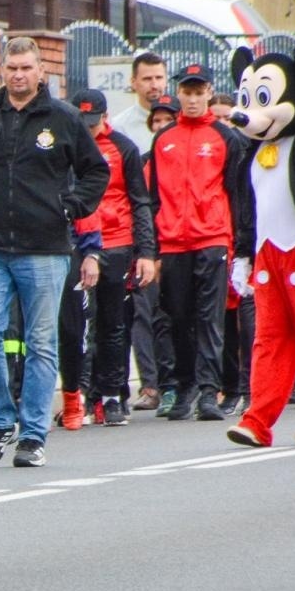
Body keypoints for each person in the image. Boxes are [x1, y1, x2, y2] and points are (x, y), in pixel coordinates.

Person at [0, 37, 110, 467]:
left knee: (40, 341)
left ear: (40, 72)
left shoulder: (64, 118)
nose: (19, 75)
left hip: (45, 249)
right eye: (12, 67)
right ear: (3, 70)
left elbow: (96, 172)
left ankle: (33, 435)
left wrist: (69, 206)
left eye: (26, 68)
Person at [146, 64, 249, 421]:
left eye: (198, 92)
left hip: (213, 239)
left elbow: (237, 194)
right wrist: (154, 247)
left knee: (210, 317)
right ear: (179, 94)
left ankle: (209, 390)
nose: (192, 99)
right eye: (186, 93)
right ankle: (186, 386)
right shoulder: (163, 139)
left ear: (209, 92)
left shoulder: (226, 137)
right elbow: (152, 196)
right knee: (178, 317)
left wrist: (239, 246)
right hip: (173, 242)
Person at [65, 89, 157, 426]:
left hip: (116, 244)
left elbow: (140, 201)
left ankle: (111, 395)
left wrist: (145, 252)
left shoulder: (123, 148)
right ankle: (80, 394)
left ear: (104, 117)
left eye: (92, 123)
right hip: (74, 244)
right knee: (77, 324)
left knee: (112, 323)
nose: (86, 130)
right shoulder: (62, 146)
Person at [131, 91, 180, 412]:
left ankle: (176, 383)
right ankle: (151, 385)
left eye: (167, 119)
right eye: (156, 120)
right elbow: (139, 207)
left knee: (174, 318)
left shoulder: (185, 158)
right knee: (142, 316)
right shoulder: (144, 163)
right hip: (149, 249)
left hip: (180, 246)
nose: (161, 125)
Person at [110, 52, 169, 154]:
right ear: (133, 82)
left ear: (166, 80)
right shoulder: (120, 126)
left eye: (159, 78)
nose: (154, 85)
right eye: (147, 79)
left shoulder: (181, 118)